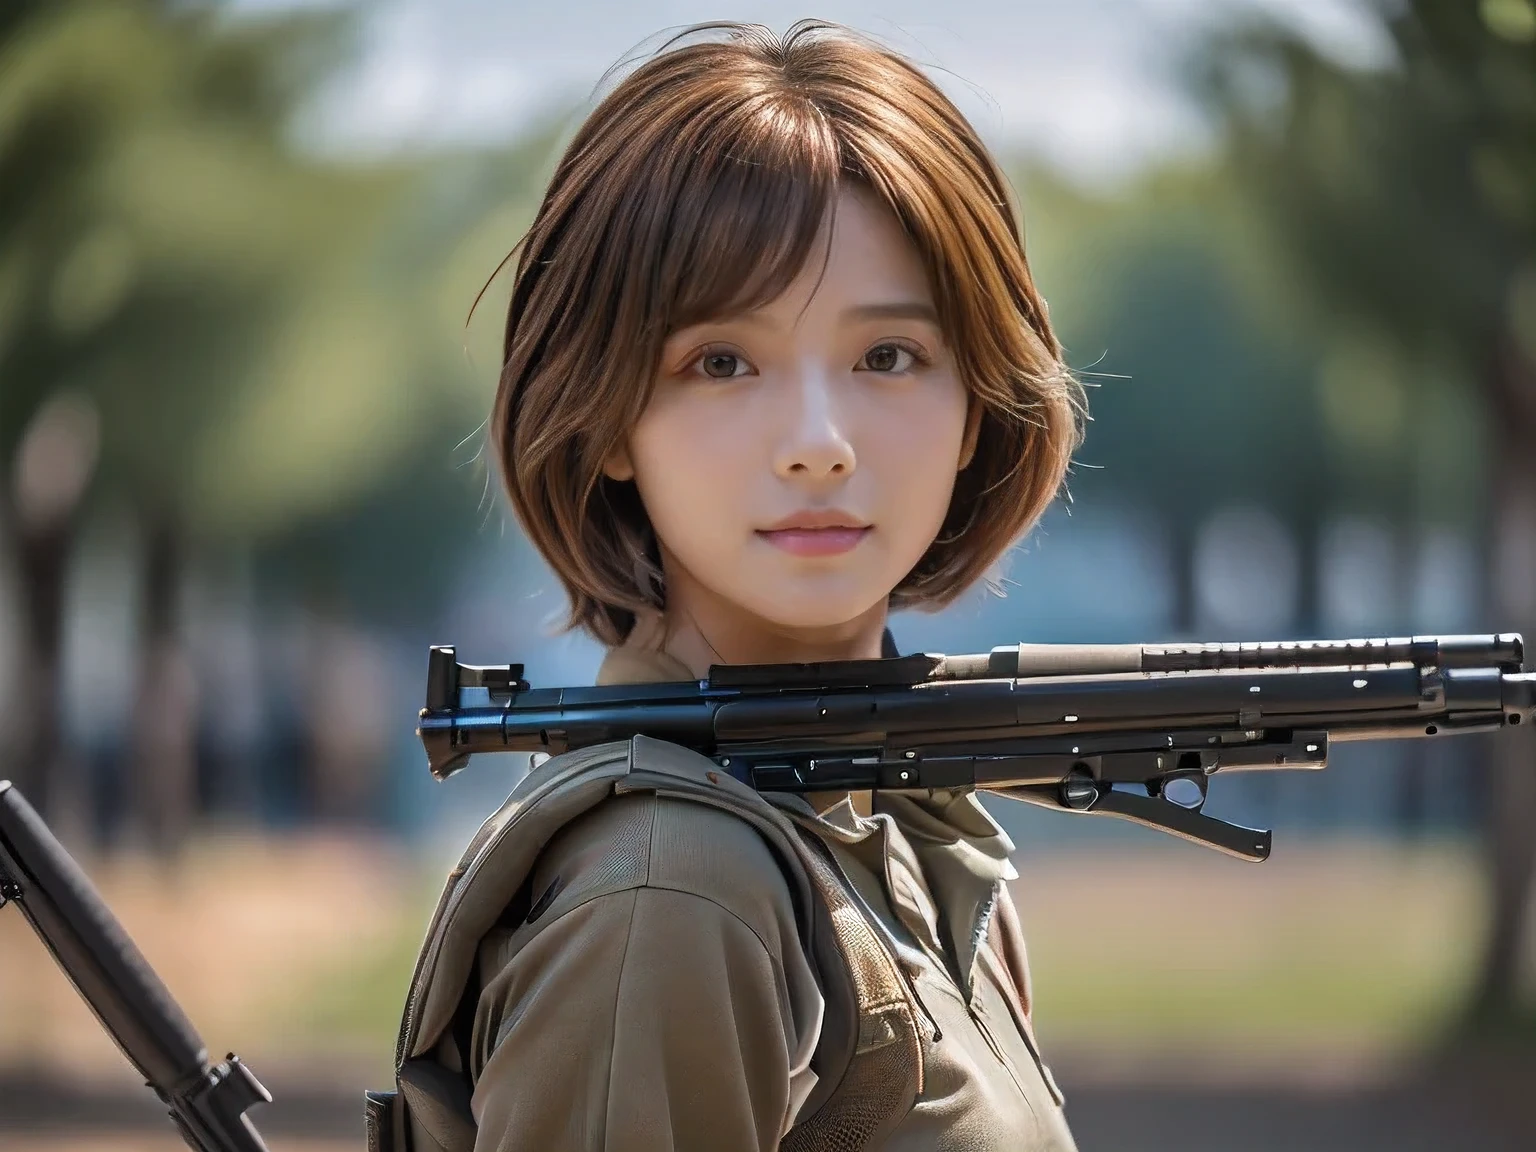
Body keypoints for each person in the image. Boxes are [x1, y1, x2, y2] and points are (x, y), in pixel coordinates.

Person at [372, 20, 1085, 1152]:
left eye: (887, 357)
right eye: (721, 362)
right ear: (607, 416)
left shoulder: (904, 831)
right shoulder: (675, 897)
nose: (818, 443)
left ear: (975, 408)